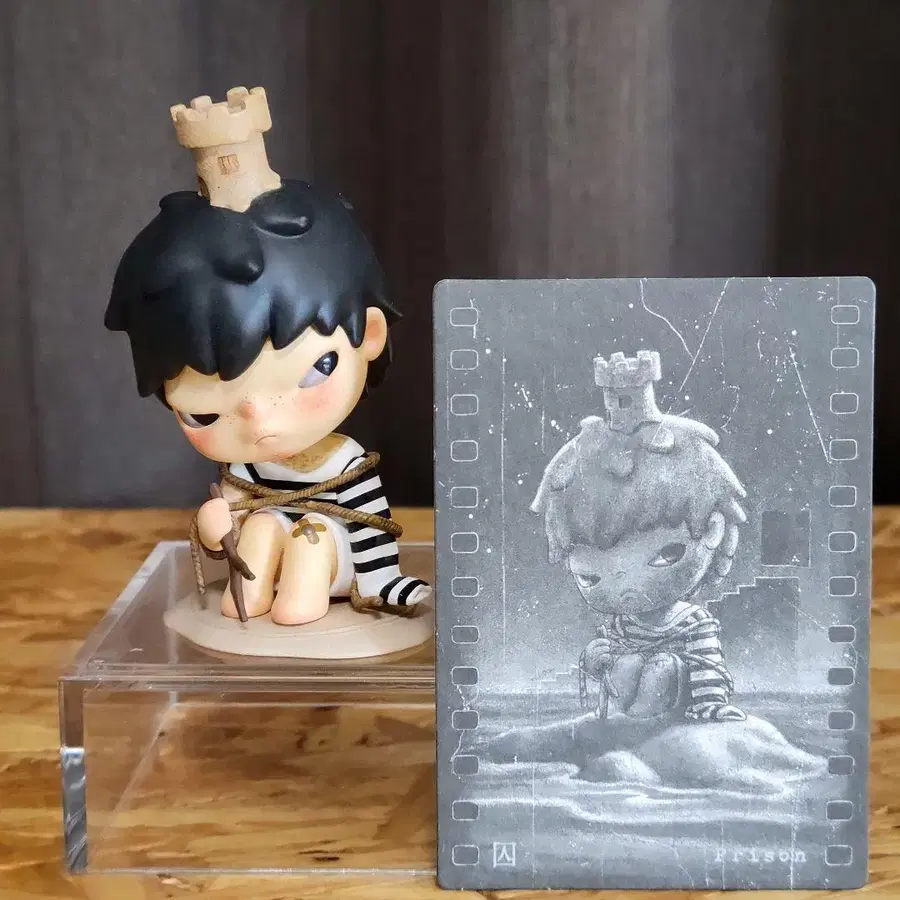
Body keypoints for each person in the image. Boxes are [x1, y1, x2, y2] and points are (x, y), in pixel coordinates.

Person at [106, 180, 431, 625]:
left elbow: (370, 526)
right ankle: (252, 599)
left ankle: (300, 606)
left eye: (317, 369)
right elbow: (229, 526)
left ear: (370, 335)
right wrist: (215, 527)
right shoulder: (248, 472)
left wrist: (382, 582)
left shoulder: (344, 464)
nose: (259, 423)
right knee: (260, 526)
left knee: (311, 537)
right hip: (268, 540)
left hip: (336, 560)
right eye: (203, 413)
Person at [532, 361, 747, 722]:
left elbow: (707, 664)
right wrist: (595, 659)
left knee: (663, 666)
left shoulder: (692, 622)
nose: (624, 582)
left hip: (675, 706)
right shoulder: (622, 626)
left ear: (712, 531)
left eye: (666, 556)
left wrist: (712, 704)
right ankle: (622, 725)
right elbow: (607, 666)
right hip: (625, 708)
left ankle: (642, 725)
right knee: (628, 664)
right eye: (590, 576)